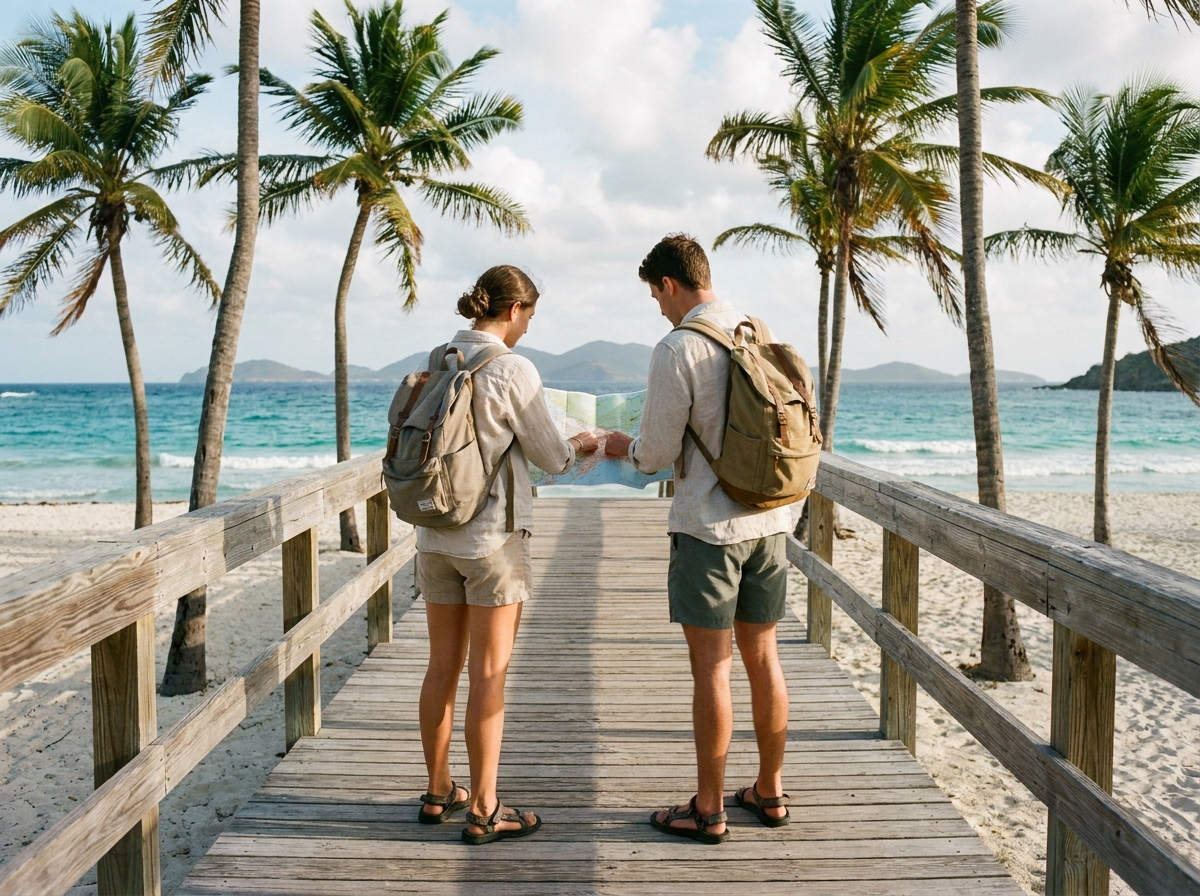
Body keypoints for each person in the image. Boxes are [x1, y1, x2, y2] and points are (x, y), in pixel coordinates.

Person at [605, 235, 792, 844]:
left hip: (710, 528)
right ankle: (769, 791)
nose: (657, 308)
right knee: (763, 658)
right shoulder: (752, 327)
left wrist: (616, 444)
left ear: (668, 284)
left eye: (655, 296)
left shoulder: (678, 346)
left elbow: (655, 451)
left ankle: (707, 808)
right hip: (768, 520)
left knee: (712, 670)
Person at [414, 265, 598, 845]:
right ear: (515, 311)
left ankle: (440, 790)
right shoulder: (513, 367)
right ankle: (487, 807)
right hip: (491, 540)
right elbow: (549, 455)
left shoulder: (442, 356)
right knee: (488, 674)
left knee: (441, 667)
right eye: (529, 318)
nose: (526, 330)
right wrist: (584, 443)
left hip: (434, 534)